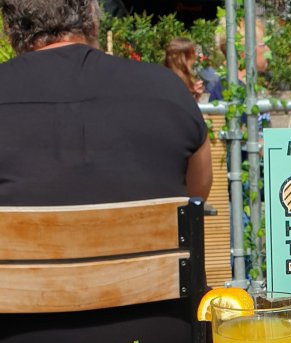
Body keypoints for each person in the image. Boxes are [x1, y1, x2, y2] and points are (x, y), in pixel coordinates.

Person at [0, 0, 211, 206]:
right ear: (93, 19)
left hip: (21, 242)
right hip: (146, 241)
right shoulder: (168, 89)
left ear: (10, 30)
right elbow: (195, 197)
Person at [164, 37, 204, 102]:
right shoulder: (174, 83)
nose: (196, 55)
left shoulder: (164, 77)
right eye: (193, 52)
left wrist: (195, 96)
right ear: (184, 57)